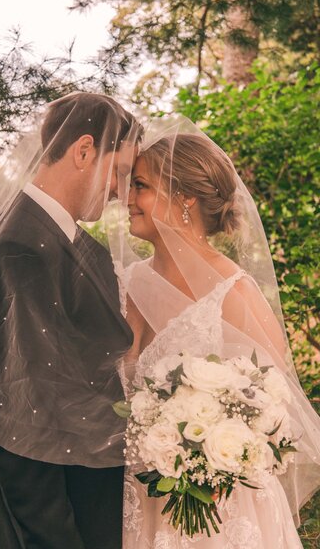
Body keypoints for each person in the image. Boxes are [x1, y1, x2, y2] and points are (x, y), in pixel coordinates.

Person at [0, 92, 143, 549]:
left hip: (87, 503)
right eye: (119, 172)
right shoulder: (16, 247)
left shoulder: (82, 248)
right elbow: (23, 416)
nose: (122, 191)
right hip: (39, 522)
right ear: (83, 151)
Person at [113, 129, 320, 549]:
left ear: (184, 197)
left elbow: (274, 414)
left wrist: (212, 455)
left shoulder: (234, 294)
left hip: (221, 514)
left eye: (140, 186)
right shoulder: (126, 283)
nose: (126, 199)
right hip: (138, 501)